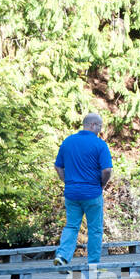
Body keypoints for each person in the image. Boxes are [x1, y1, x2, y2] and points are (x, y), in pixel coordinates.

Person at [53, 112, 112, 270]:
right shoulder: (100, 144)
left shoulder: (68, 142)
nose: (100, 129)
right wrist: (102, 184)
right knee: (95, 229)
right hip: (92, 193)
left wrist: (67, 181)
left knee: (71, 226)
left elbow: (58, 166)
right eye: (99, 126)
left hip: (71, 194)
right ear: (92, 125)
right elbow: (107, 170)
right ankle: (93, 264)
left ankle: (62, 256)